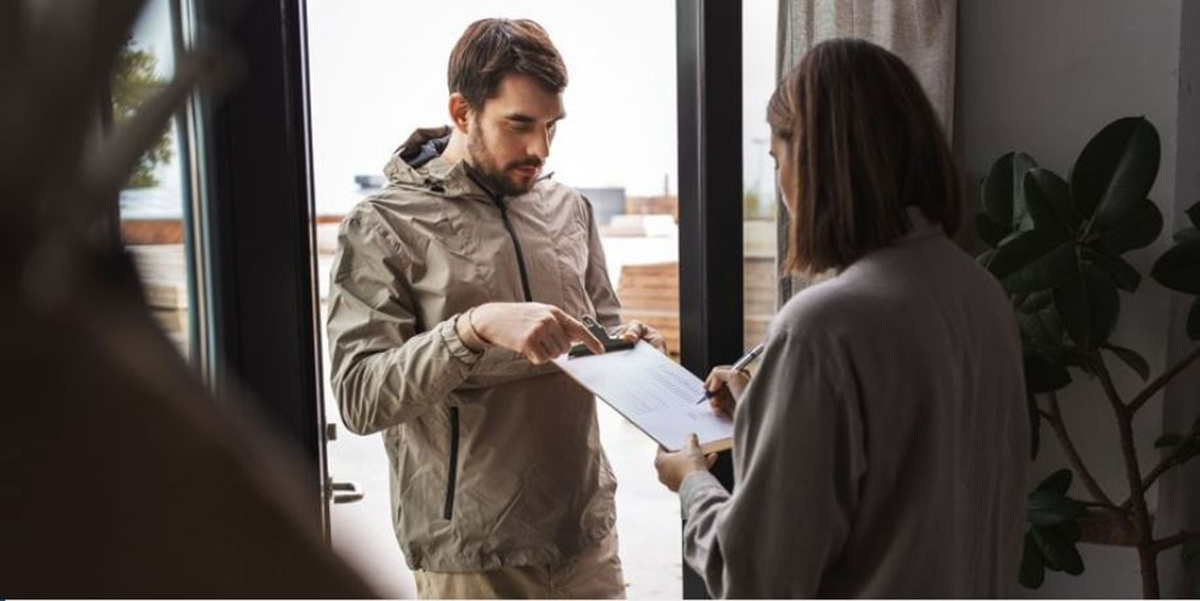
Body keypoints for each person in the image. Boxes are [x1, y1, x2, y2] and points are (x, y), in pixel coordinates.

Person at [653, 38, 1028, 598]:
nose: (779, 188)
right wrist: (764, 410)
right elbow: (906, 478)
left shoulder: (823, 325)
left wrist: (693, 483)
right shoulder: (977, 288)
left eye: (778, 161)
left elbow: (755, 579)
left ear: (811, 163)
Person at [326, 18, 664, 600]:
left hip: (586, 539)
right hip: (474, 557)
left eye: (552, 126)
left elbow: (601, 332)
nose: (540, 148)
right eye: (520, 125)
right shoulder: (382, 225)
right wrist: (471, 330)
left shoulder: (569, 209)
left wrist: (630, 348)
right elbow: (360, 396)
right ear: (462, 112)